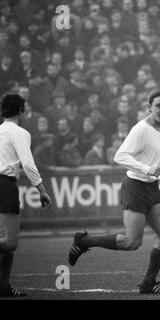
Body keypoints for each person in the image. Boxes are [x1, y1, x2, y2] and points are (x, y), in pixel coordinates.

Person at [67, 90, 160, 294]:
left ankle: (148, 283)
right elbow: (120, 156)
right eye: (158, 105)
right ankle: (83, 241)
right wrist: (146, 169)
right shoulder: (140, 129)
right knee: (131, 242)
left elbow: (159, 162)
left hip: (152, 188)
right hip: (135, 188)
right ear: (148, 107)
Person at [0, 93, 51, 297]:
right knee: (10, 241)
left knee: (5, 244)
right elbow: (28, 164)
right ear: (21, 110)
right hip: (4, 186)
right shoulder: (20, 133)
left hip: (4, 181)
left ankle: (3, 287)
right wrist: (41, 188)